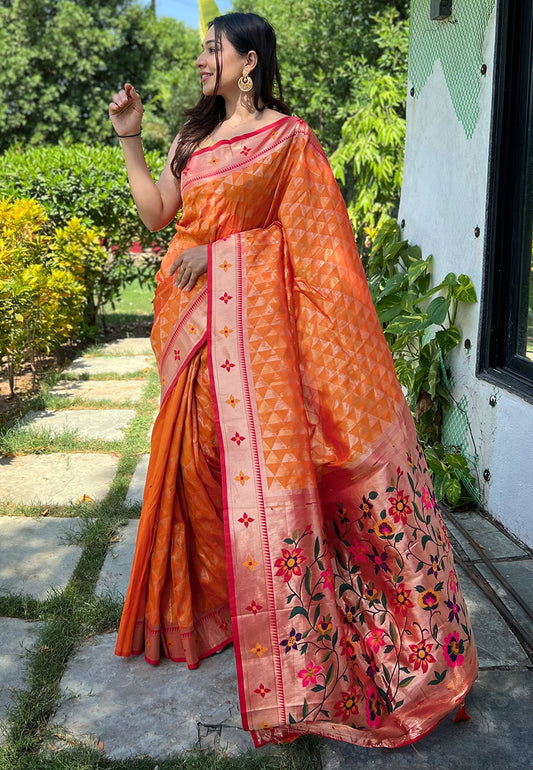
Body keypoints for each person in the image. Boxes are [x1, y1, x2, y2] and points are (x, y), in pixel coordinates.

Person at [109, 11, 478, 750]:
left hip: (251, 334)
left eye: (211, 50)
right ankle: (226, 611)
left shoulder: (288, 138)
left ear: (249, 61)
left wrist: (222, 260)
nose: (200, 61)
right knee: (198, 469)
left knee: (265, 478)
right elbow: (159, 217)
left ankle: (311, 635)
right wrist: (130, 136)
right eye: (200, 51)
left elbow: (313, 247)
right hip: (190, 330)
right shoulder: (194, 138)